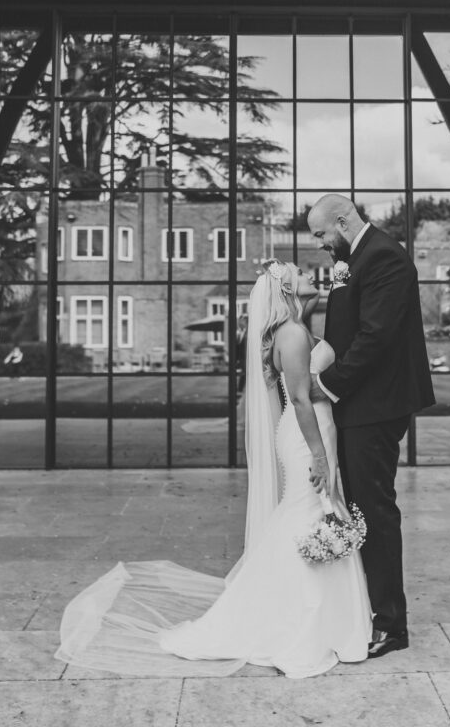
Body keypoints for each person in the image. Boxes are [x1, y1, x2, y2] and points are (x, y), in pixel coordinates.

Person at [56, 259, 371, 678]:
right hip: (304, 434)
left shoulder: (295, 324)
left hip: (312, 429)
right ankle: (292, 618)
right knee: (307, 513)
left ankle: (312, 614)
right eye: (299, 273)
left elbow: (312, 317)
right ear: (286, 291)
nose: (308, 273)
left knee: (317, 511)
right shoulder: (293, 334)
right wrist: (317, 454)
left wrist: (329, 290)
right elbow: (298, 399)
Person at [307, 194, 435, 659]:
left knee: (373, 510)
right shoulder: (353, 256)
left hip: (376, 407)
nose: (321, 244)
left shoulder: (384, 257)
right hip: (358, 404)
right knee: (359, 504)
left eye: (322, 234)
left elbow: (376, 335)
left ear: (343, 220)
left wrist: (326, 384)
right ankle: (367, 608)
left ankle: (391, 624)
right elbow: (345, 330)